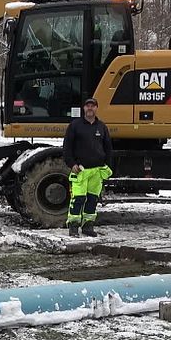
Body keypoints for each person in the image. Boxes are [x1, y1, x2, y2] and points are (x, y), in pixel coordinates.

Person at [63, 97, 113, 237]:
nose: (90, 108)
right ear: (84, 108)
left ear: (96, 108)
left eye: (93, 106)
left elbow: (108, 148)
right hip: (80, 170)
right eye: (87, 106)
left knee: (92, 200)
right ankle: (73, 227)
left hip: (97, 172)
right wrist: (71, 164)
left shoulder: (102, 127)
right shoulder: (75, 126)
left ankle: (88, 227)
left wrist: (108, 167)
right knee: (78, 199)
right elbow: (67, 148)